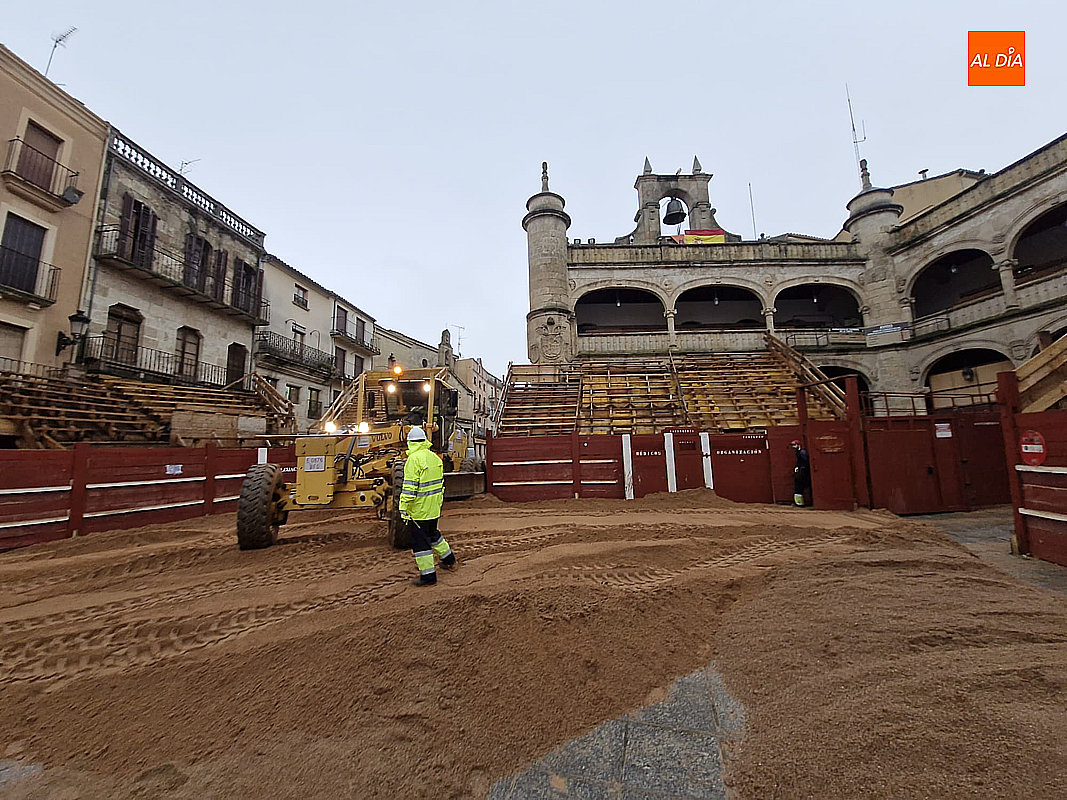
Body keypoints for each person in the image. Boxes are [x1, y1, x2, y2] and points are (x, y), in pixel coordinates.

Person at [398, 426, 457, 586]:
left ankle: (428, 576)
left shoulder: (413, 460)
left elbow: (410, 488)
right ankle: (449, 559)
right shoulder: (434, 458)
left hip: (419, 510)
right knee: (433, 535)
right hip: (433, 508)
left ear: (410, 442)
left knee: (420, 543)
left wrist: (403, 507)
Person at [791, 439, 811, 507]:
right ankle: (799, 502)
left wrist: (800, 469)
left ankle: (799, 503)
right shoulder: (799, 452)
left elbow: (805, 463)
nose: (793, 447)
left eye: (794, 445)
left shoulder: (802, 453)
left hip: (803, 473)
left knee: (799, 487)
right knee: (799, 487)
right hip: (802, 472)